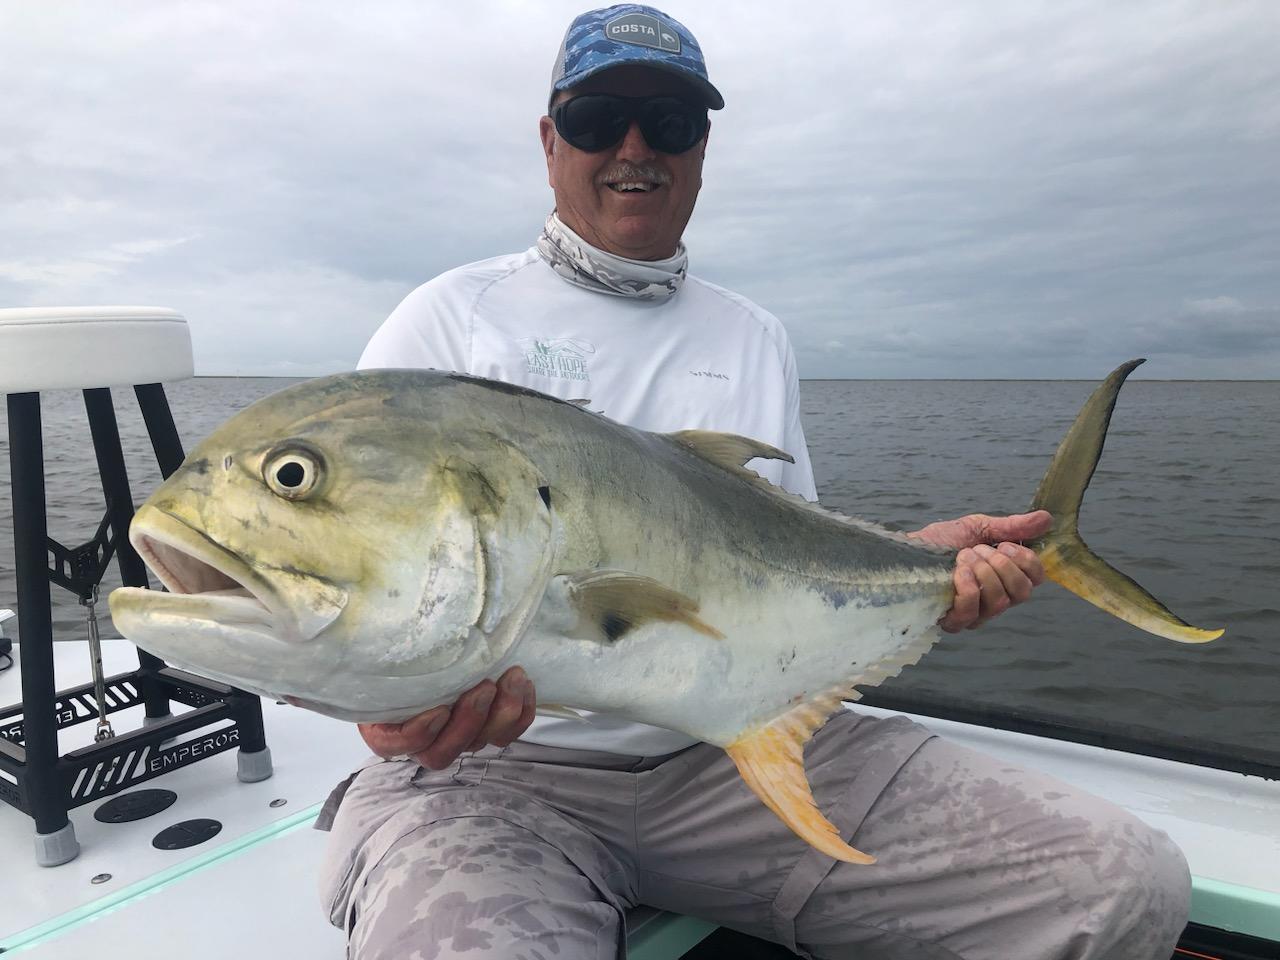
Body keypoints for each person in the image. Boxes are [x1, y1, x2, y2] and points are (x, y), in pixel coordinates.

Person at [317, 6, 1190, 958]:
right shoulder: (448, 323)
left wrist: (926, 576)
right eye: (599, 117)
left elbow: (778, 566)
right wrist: (392, 716)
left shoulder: (753, 335)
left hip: (737, 761)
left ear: (702, 148)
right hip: (495, 783)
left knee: (1120, 883)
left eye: (673, 123)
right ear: (549, 139)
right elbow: (359, 583)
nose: (635, 148)